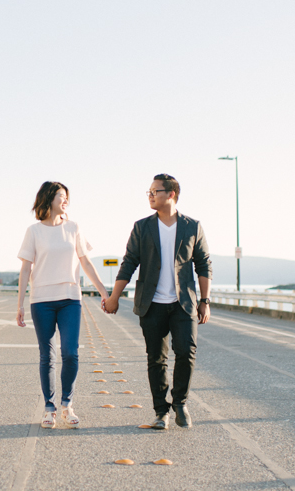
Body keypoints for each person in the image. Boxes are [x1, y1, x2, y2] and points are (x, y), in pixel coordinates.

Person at [103, 174, 212, 430]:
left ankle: (180, 402)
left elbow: (204, 263)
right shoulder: (142, 227)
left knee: (186, 352)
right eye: (149, 192)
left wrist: (205, 300)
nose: (150, 196)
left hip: (183, 303)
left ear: (171, 194)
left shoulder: (192, 226)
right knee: (156, 359)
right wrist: (114, 297)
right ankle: (161, 411)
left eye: (155, 191)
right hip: (151, 304)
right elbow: (129, 262)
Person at [16, 181, 110, 429]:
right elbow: (26, 268)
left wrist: (104, 293)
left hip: (70, 298)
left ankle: (67, 404)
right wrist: (20, 304)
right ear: (48, 198)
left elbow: (86, 263)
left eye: (67, 196)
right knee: (47, 355)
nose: (65, 200)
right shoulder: (34, 231)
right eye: (61, 196)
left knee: (70, 352)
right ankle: (49, 408)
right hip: (41, 301)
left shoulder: (74, 228)